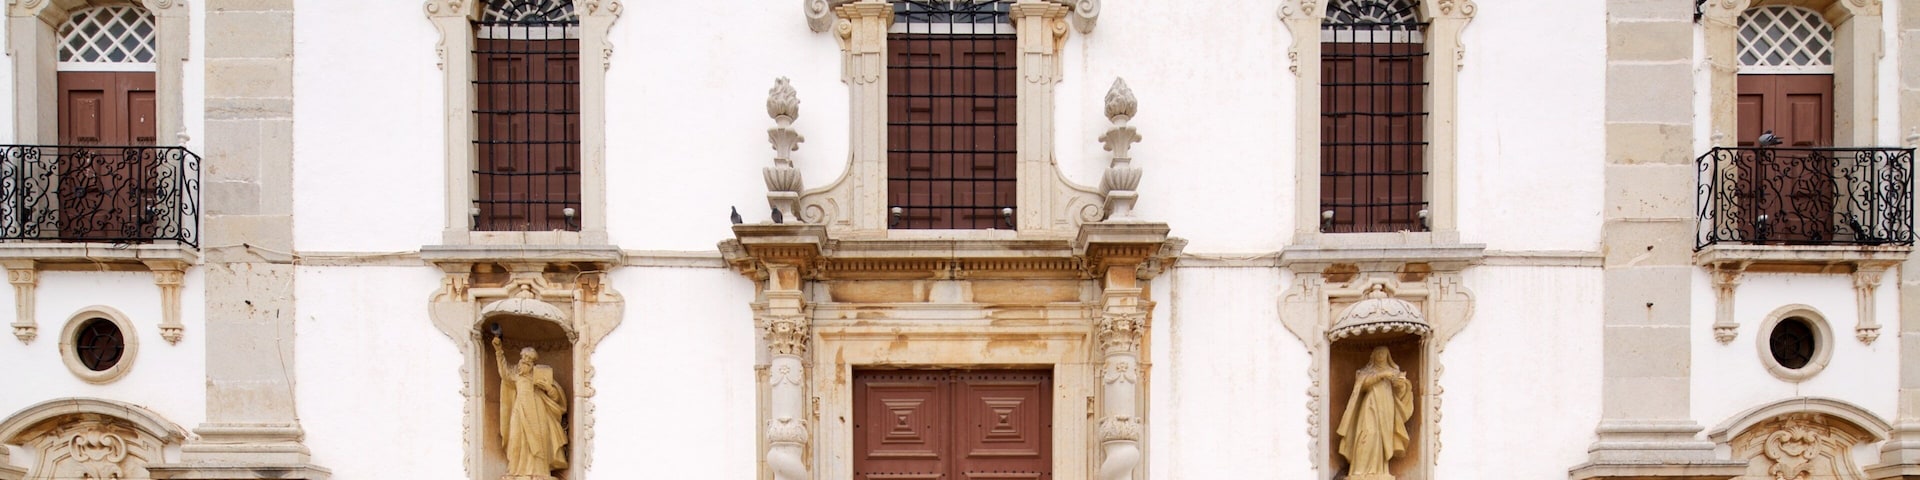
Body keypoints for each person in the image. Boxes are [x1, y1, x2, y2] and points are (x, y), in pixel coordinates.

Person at [493, 336, 569, 477]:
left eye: (529, 358)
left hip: (538, 411)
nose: (525, 360)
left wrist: (548, 387)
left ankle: (540, 472)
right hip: (519, 409)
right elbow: (504, 372)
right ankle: (516, 471)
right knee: (516, 438)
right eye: (523, 357)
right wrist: (499, 351)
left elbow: (556, 398)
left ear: (533, 362)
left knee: (539, 440)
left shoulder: (540, 375)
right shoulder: (516, 374)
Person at [1336, 346, 1414, 480]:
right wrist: (1381, 375)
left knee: (1382, 438)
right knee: (1367, 434)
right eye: (1378, 353)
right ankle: (1358, 470)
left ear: (1388, 356)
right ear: (1373, 356)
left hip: (1386, 408)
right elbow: (1363, 385)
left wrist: (1401, 385)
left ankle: (1380, 471)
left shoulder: (1393, 371)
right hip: (1370, 405)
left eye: (1383, 353)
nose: (1381, 356)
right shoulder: (1366, 371)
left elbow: (1400, 393)